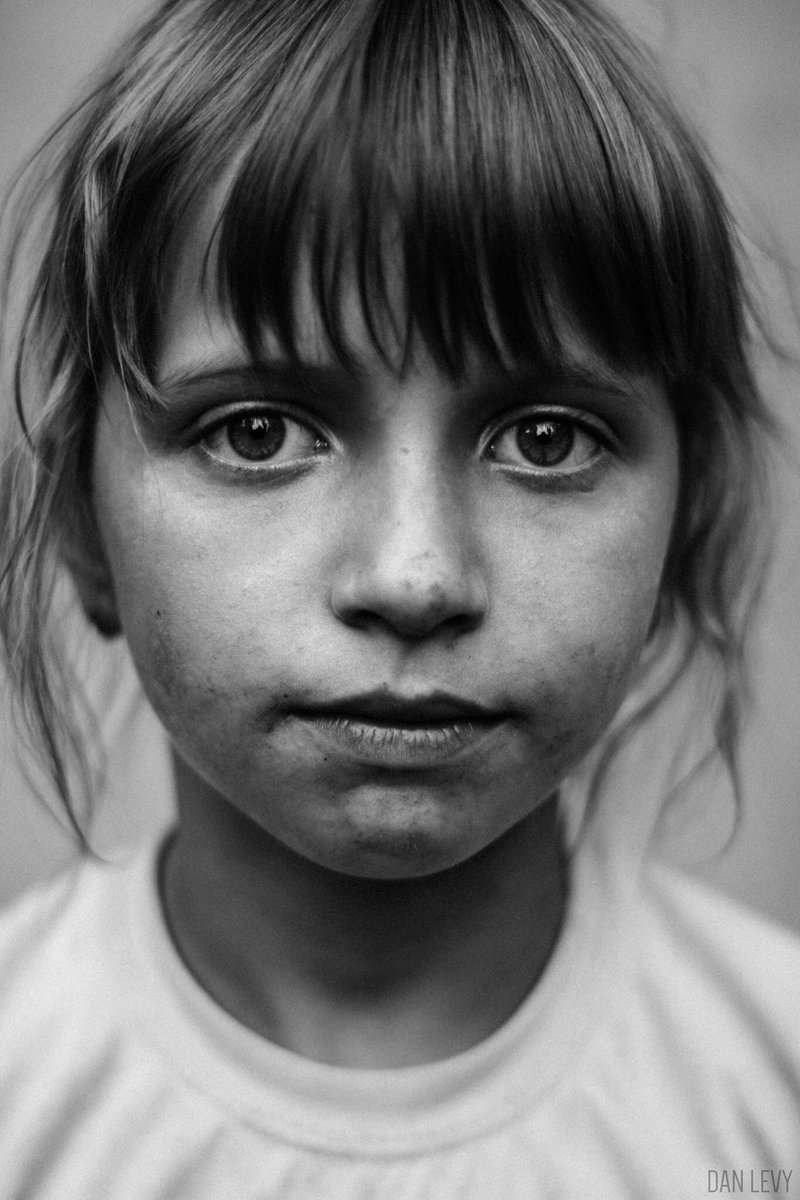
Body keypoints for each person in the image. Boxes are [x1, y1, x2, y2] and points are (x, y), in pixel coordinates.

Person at [0, 0, 798, 1195]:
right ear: (81, 524)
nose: (413, 577)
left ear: (680, 527)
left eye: (543, 438)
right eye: (257, 432)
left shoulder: (769, 1095)